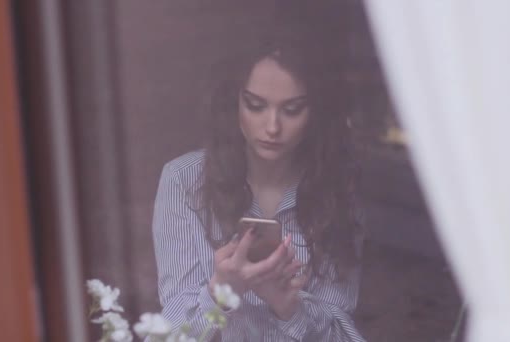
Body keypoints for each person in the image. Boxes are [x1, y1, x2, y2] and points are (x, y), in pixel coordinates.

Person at [152, 26, 365, 341]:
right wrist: (221, 292)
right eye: (255, 105)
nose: (272, 127)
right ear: (234, 101)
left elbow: (341, 332)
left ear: (316, 111)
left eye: (292, 110)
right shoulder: (184, 181)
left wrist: (288, 306)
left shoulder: (335, 190)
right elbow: (172, 334)